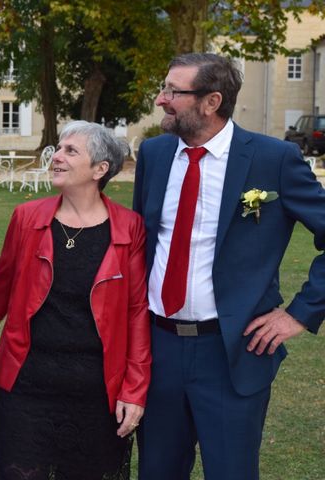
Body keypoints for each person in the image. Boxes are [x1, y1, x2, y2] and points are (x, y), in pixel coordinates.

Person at [133, 53, 325, 480]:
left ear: (211, 101)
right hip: (158, 348)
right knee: (156, 472)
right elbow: (142, 244)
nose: (161, 100)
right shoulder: (155, 154)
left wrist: (300, 313)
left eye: (172, 91)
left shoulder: (274, 160)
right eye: (163, 89)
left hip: (233, 352)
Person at [0, 120, 151, 480]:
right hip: (25, 390)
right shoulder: (26, 218)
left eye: (70, 151)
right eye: (59, 148)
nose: (57, 157)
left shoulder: (129, 228)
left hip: (96, 396)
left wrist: (135, 391)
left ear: (100, 169)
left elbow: (136, 313)